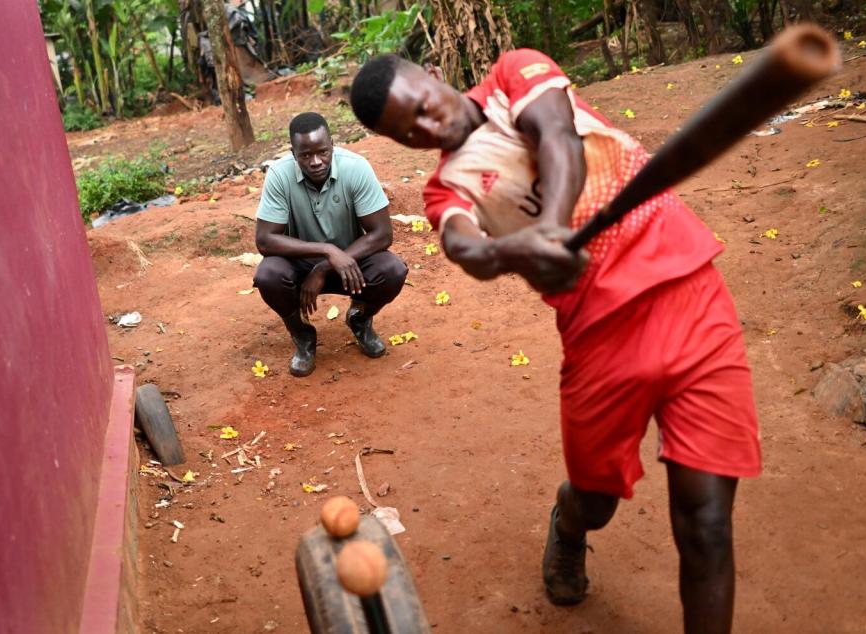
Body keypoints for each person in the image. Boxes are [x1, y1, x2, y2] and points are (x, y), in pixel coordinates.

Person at [350, 52, 760, 633]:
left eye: (421, 106)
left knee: (707, 521)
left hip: (687, 287)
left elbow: (557, 136)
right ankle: (568, 525)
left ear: (433, 75)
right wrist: (512, 251)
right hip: (599, 336)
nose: (426, 128)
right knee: (595, 501)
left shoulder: (515, 73)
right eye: (406, 132)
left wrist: (554, 228)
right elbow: (467, 248)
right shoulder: (445, 188)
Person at [253, 112, 408, 377]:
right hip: (300, 265)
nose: (315, 162)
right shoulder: (279, 175)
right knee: (268, 275)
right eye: (305, 155)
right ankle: (302, 335)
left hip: (350, 263)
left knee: (392, 270)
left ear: (332, 144)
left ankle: (360, 319)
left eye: (322, 152)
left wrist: (325, 267)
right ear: (293, 153)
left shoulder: (355, 168)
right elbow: (265, 240)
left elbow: (382, 234)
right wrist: (326, 250)